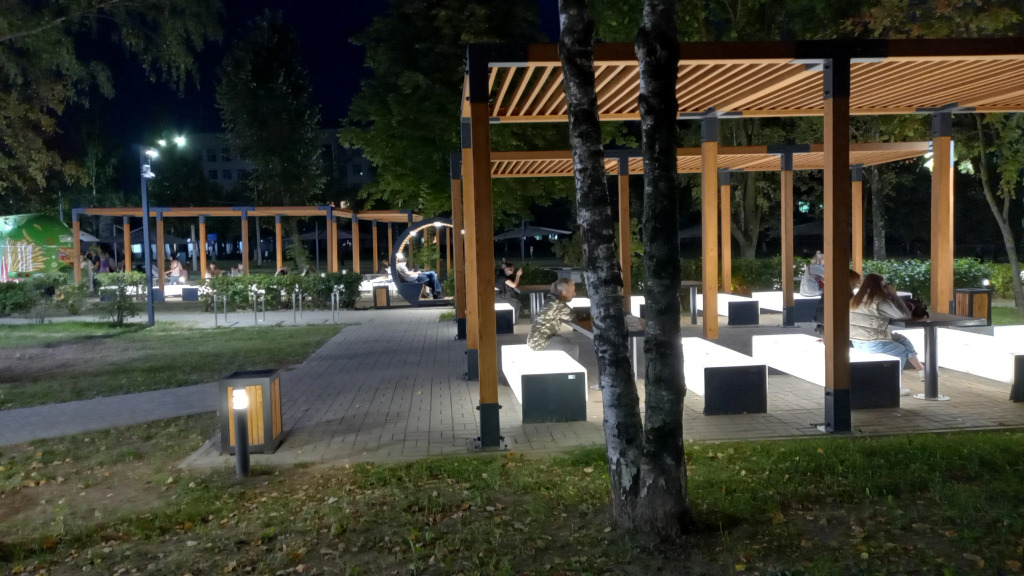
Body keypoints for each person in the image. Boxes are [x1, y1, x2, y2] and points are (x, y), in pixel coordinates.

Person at [850, 273, 925, 396]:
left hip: (857, 341)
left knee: (901, 339)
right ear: (881, 286)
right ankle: (894, 386)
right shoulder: (879, 301)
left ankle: (922, 370)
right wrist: (894, 295)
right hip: (873, 342)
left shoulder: (856, 299)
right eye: (884, 285)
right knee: (901, 350)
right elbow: (905, 315)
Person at [527, 278, 579, 361]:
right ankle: (570, 369)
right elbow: (572, 316)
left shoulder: (552, 298)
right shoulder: (557, 303)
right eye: (573, 291)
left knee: (565, 341)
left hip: (537, 339)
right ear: (564, 291)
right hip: (541, 342)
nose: (574, 294)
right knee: (572, 348)